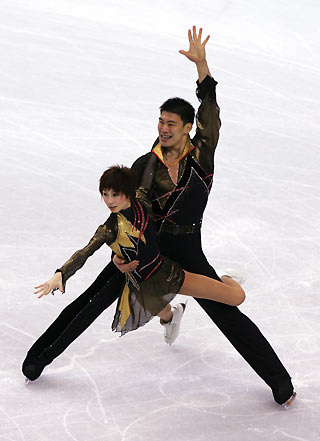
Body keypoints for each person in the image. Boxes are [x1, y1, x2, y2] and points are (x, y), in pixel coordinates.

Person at [22, 26, 296, 408]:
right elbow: (128, 215)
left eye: (171, 124)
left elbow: (210, 111)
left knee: (226, 310)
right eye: (160, 122)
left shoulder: (202, 153)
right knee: (95, 297)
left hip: (186, 245)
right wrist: (125, 254)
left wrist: (202, 66)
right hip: (147, 246)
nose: (163, 129)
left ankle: (280, 381)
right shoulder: (144, 166)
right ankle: (38, 357)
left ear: (187, 128)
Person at [33, 166, 245, 341]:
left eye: (115, 194)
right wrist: (61, 273)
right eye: (105, 194)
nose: (109, 200)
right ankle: (173, 317)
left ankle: (223, 278)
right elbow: (84, 253)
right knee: (163, 311)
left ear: (128, 193)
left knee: (237, 298)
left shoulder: (142, 201)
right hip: (141, 286)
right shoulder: (109, 229)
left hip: (166, 275)